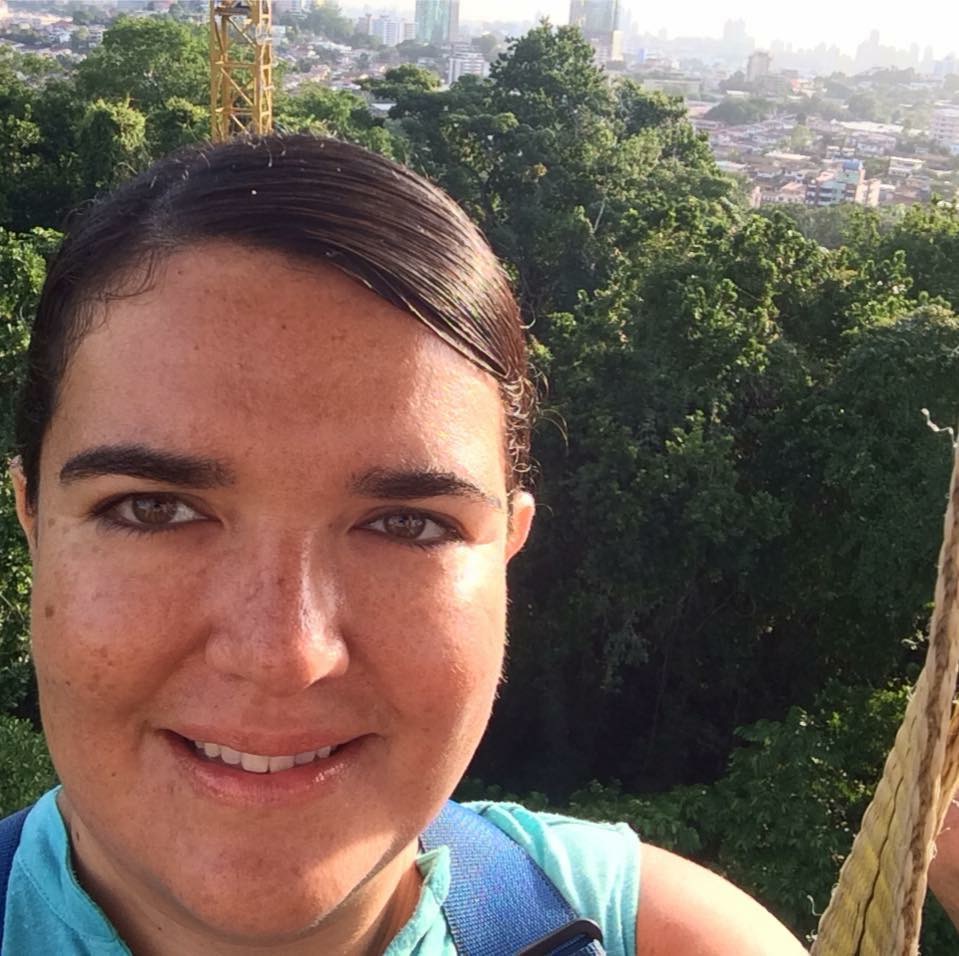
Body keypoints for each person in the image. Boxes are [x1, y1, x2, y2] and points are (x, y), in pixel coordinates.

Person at [1, 134, 806, 954]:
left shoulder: (666, 938)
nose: (283, 654)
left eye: (406, 524)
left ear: (508, 547)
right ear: (33, 518)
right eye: (153, 510)